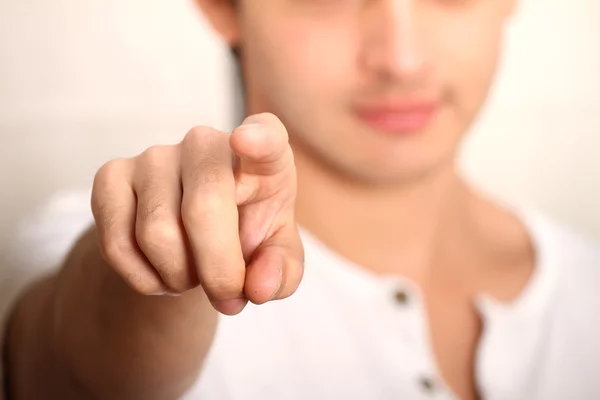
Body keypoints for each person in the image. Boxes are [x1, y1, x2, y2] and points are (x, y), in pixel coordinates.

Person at [3, 0, 600, 399]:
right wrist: (162, 261)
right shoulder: (89, 248)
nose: (401, 59)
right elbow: (77, 363)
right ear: (221, 6)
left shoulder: (587, 287)